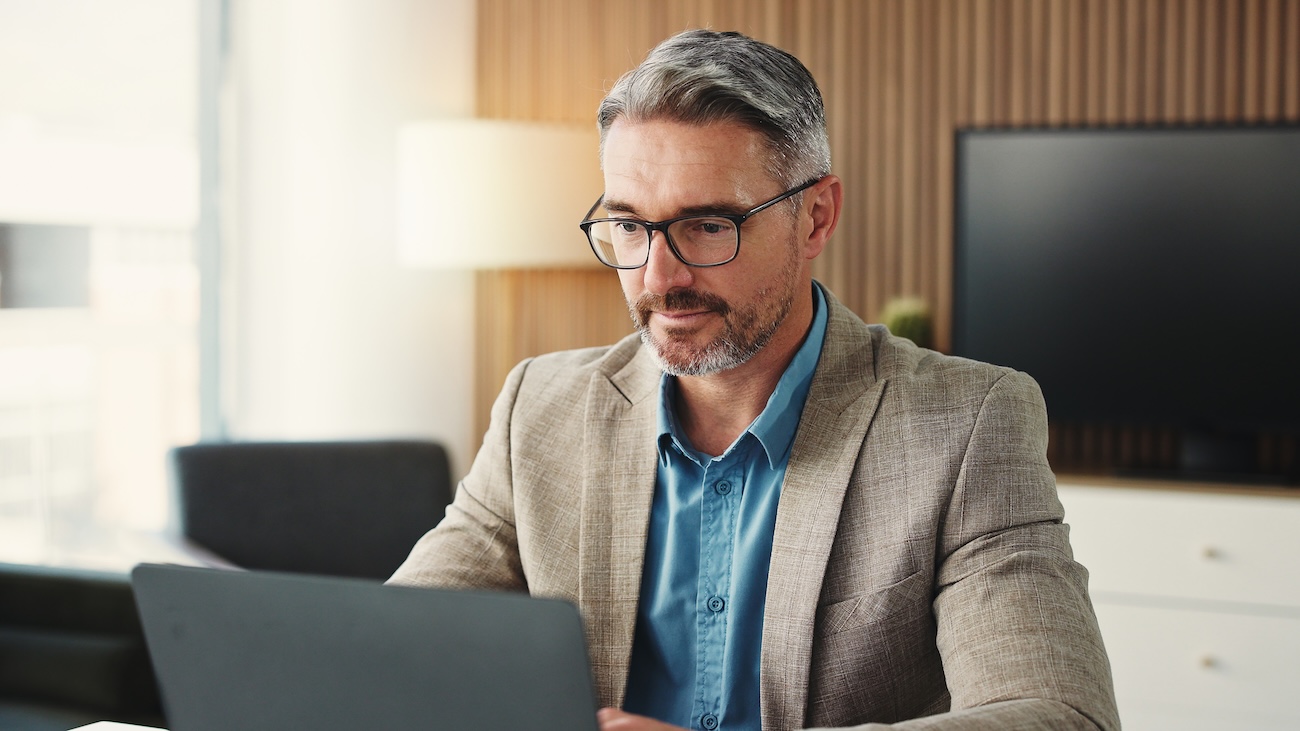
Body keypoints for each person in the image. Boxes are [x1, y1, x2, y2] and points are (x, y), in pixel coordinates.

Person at [390, 29, 1119, 731]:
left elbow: (1060, 716)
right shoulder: (540, 409)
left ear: (816, 217)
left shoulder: (964, 425)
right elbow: (390, 657)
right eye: (630, 226)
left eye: (708, 225)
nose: (657, 276)